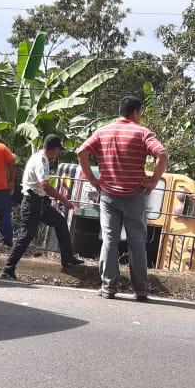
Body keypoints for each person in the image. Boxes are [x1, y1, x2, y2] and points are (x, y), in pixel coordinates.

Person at [78, 96, 168, 301]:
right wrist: (154, 181)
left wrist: (93, 179)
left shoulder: (103, 131)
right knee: (137, 242)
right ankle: (141, 289)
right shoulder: (142, 132)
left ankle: (109, 287)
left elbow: (82, 151)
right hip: (134, 195)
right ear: (136, 112)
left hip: (108, 194)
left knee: (110, 240)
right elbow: (161, 154)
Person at [0, 135, 85, 280]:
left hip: (38, 201)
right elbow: (44, 184)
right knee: (25, 236)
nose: (58, 153)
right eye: (58, 150)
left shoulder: (40, 157)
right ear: (54, 149)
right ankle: (8, 269)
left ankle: (67, 258)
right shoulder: (40, 161)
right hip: (32, 202)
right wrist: (63, 199)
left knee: (60, 221)